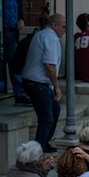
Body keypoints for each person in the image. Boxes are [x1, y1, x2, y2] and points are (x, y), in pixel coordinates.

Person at [21, 13, 64, 151]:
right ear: (54, 25)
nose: (64, 29)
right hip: (38, 83)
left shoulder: (42, 34)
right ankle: (37, 152)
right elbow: (49, 65)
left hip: (34, 82)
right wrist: (57, 87)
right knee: (46, 119)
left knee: (54, 109)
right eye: (63, 27)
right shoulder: (51, 38)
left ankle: (43, 143)